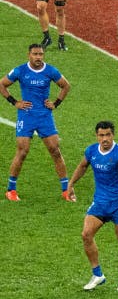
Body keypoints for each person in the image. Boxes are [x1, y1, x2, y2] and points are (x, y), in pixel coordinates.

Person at [66, 121, 118, 291]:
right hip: (100, 204)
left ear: (113, 135)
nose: (105, 139)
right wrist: (70, 184)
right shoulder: (92, 151)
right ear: (97, 136)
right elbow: (82, 166)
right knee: (86, 234)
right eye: (101, 135)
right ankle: (97, 274)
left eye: (108, 135)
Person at [0, 43, 70, 201]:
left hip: (45, 116)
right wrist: (14, 101)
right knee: (22, 151)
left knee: (55, 151)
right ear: (29, 55)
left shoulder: (50, 70)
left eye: (40, 54)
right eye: (35, 54)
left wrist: (56, 103)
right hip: (26, 116)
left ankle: (66, 190)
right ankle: (11, 190)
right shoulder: (20, 70)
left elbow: (65, 86)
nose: (38, 57)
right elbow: (2, 84)